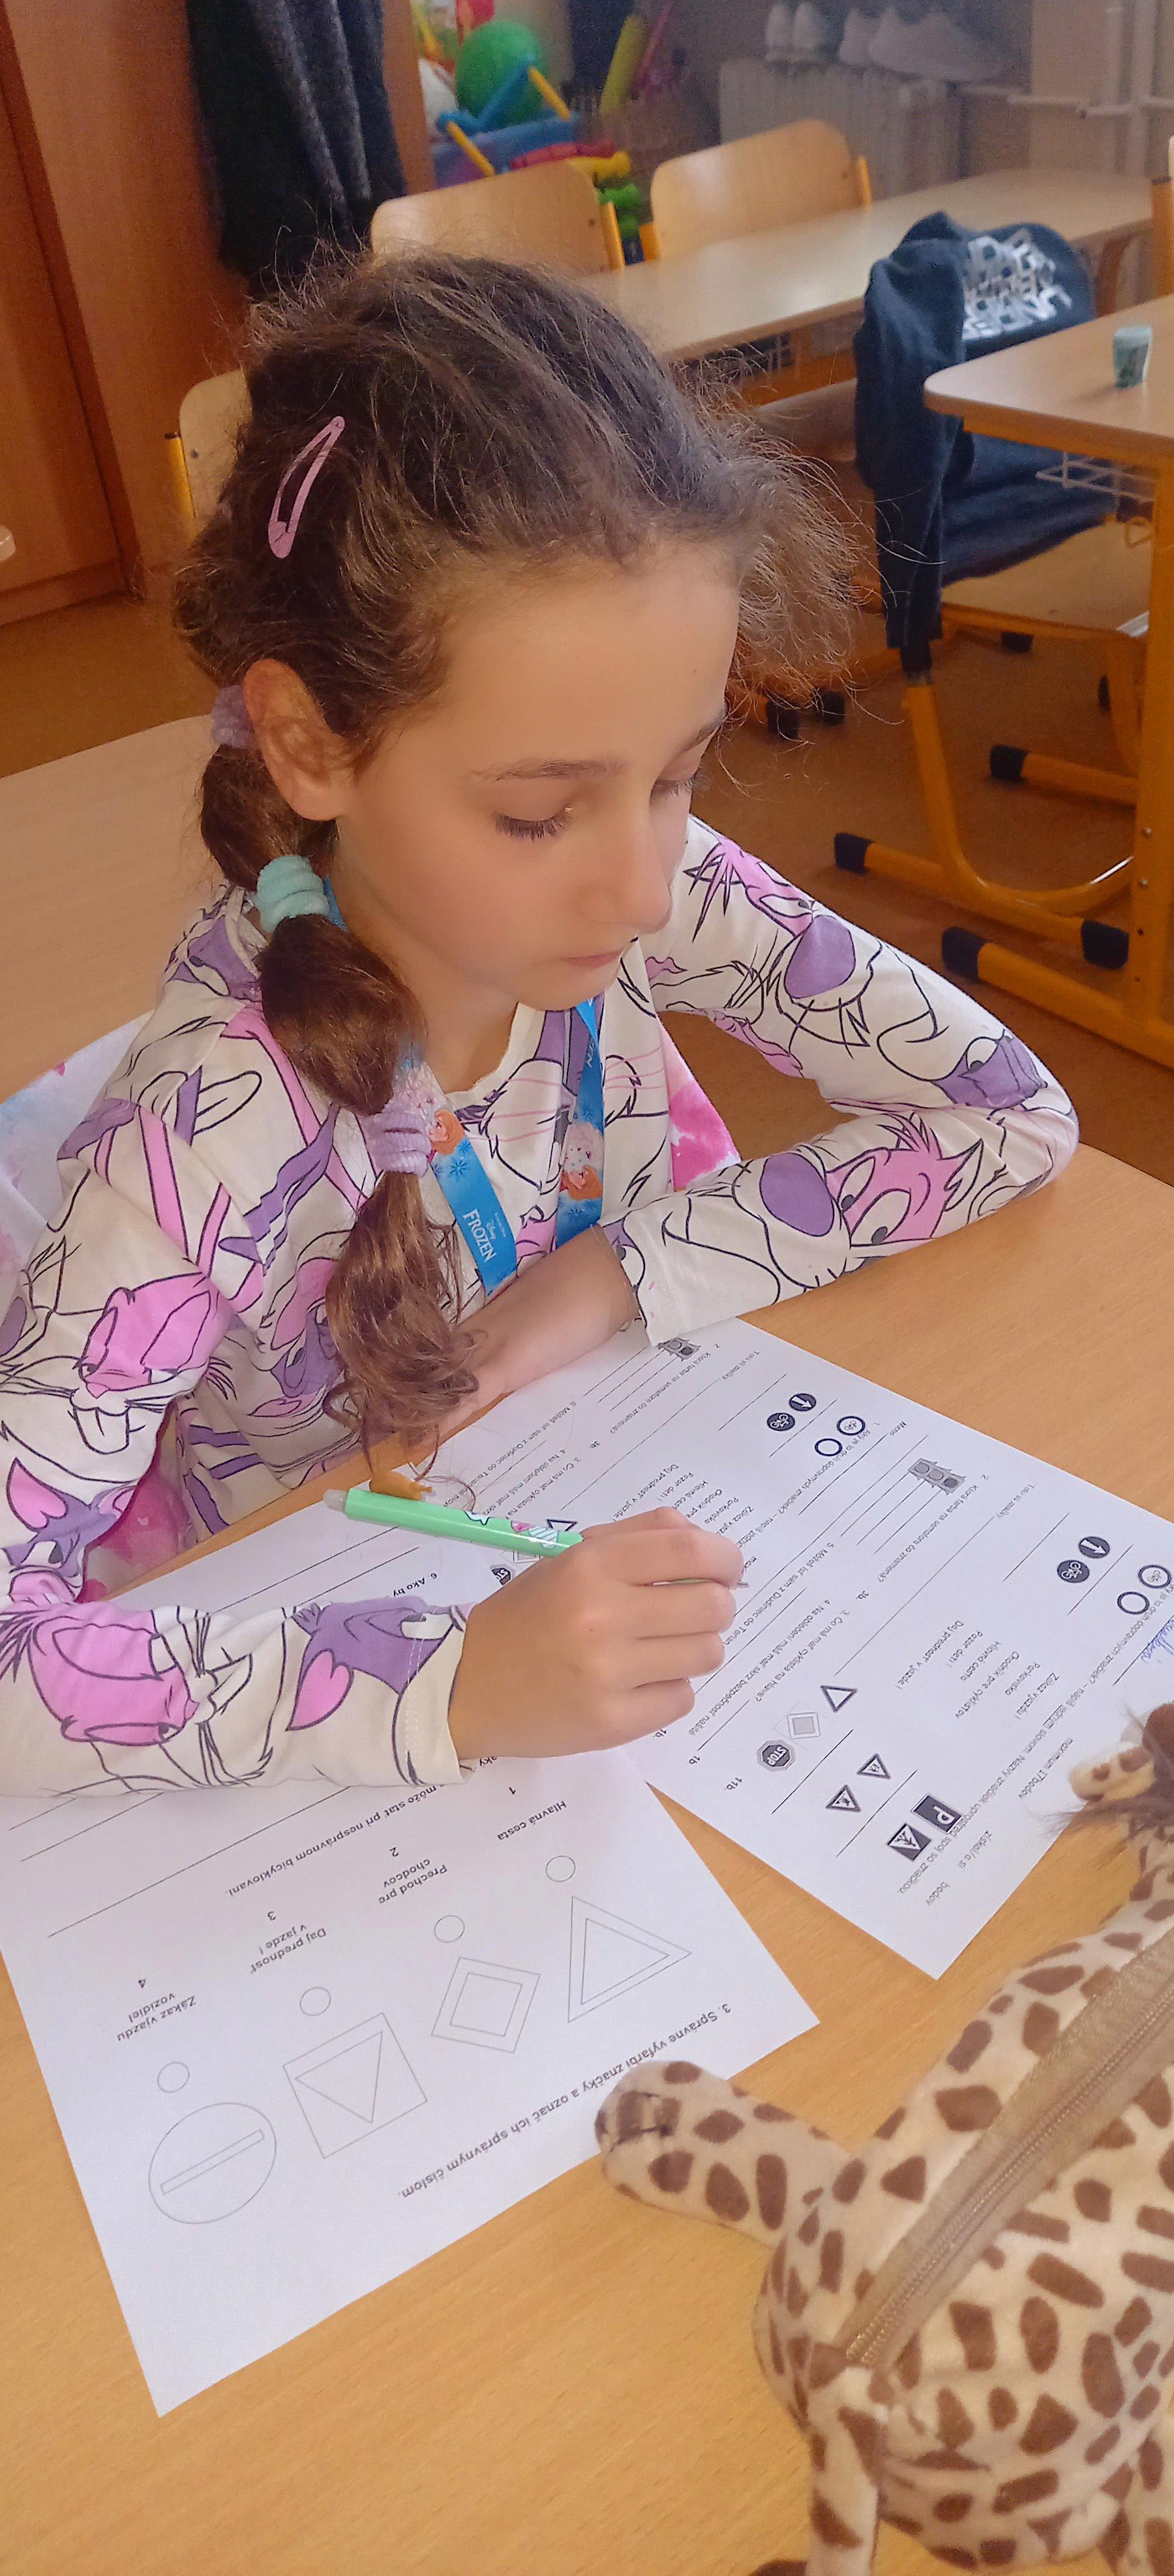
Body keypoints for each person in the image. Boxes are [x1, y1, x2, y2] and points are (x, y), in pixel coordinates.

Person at [0, 254, 1077, 1794]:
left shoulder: (645, 883)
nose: (640, 887)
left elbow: (1006, 1115)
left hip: (613, 1499)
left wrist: (608, 1274)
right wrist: (437, 1688)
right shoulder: (200, 1141)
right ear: (310, 741)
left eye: (678, 771)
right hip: (312, 1598)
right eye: (537, 813)